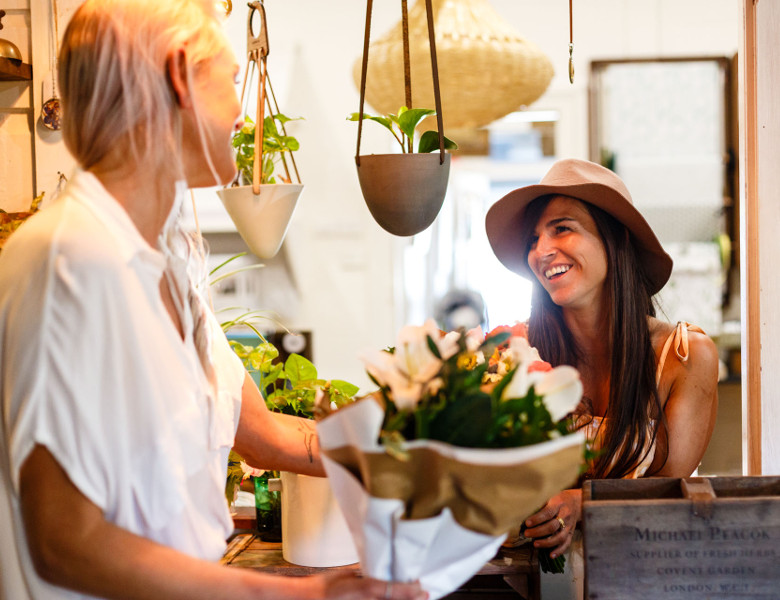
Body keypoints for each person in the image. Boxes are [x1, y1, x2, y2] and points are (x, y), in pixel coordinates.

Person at [0, 1, 425, 599]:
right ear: (178, 76)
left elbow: (260, 434)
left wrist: (417, 433)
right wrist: (301, 594)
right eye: (228, 80)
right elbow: (64, 541)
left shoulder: (174, 262)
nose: (240, 117)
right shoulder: (69, 260)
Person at [485, 158, 719, 597]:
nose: (541, 250)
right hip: (533, 585)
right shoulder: (517, 350)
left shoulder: (685, 356)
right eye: (534, 238)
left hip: (651, 581)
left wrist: (582, 502)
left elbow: (672, 493)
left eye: (562, 228)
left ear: (615, 240)